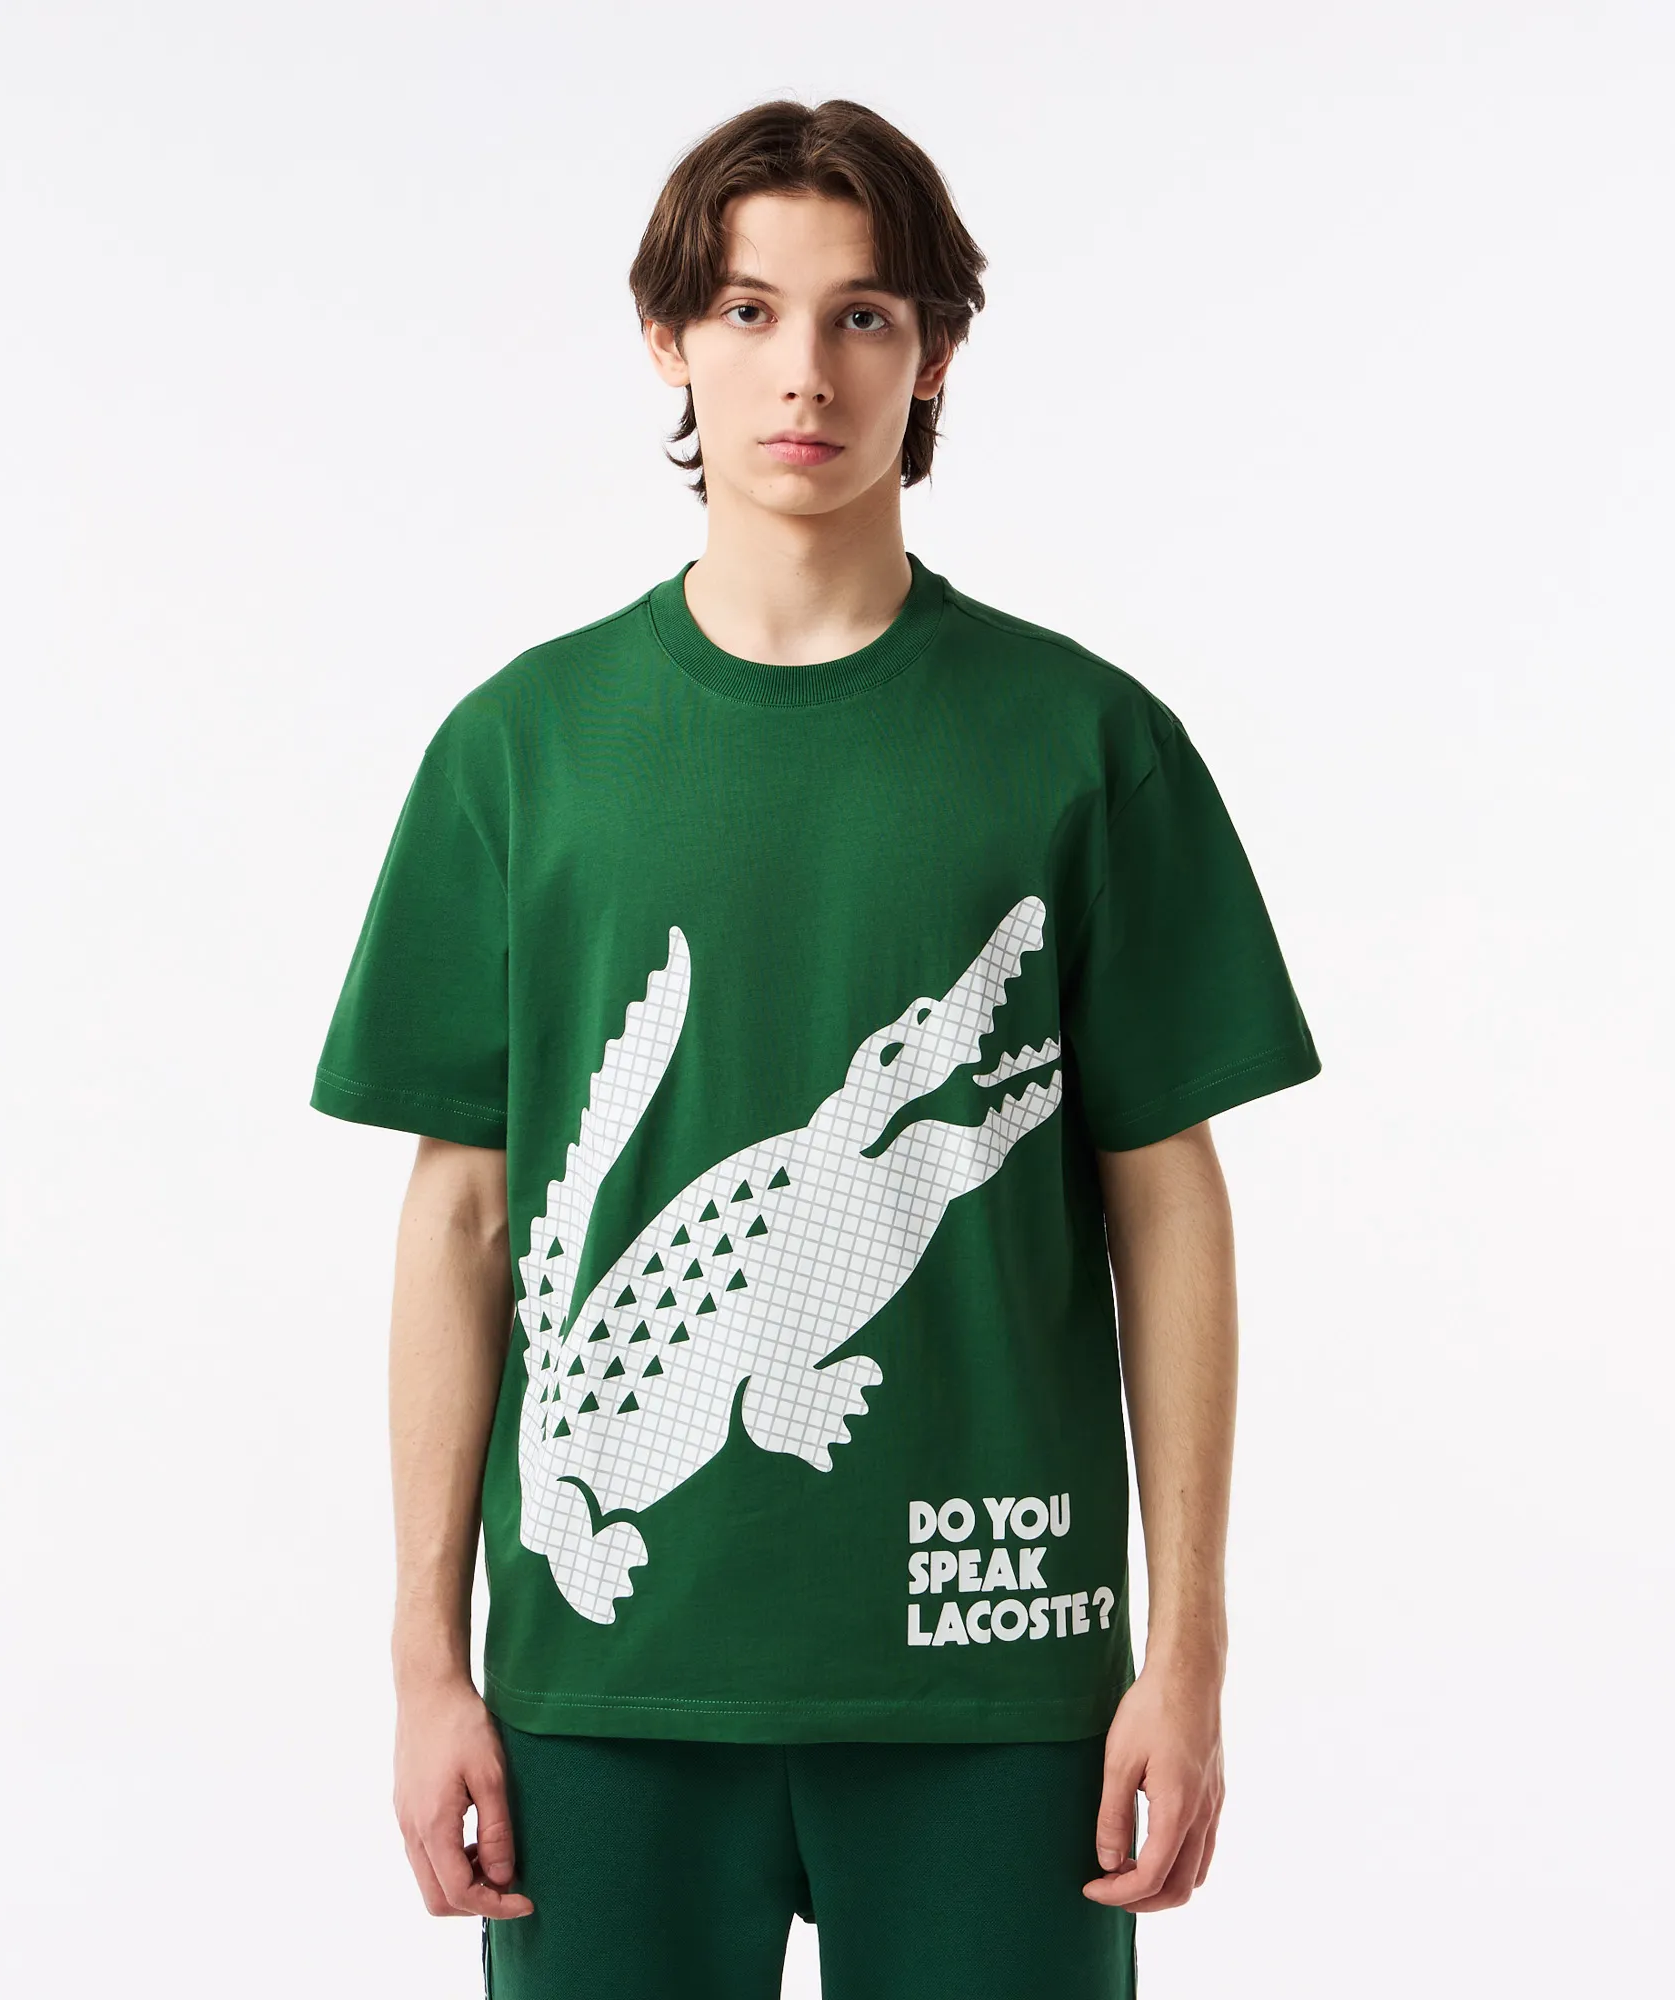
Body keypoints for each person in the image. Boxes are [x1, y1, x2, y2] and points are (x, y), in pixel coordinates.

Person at [309, 96, 1321, 2000]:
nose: (806, 372)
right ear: (670, 341)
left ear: (934, 352)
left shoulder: (1087, 740)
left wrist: (1186, 1651)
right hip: (605, 1691)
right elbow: (464, 1222)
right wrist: (426, 1662)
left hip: (995, 1664)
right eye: (750, 310)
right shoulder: (518, 752)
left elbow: (1167, 1199)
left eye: (864, 315)